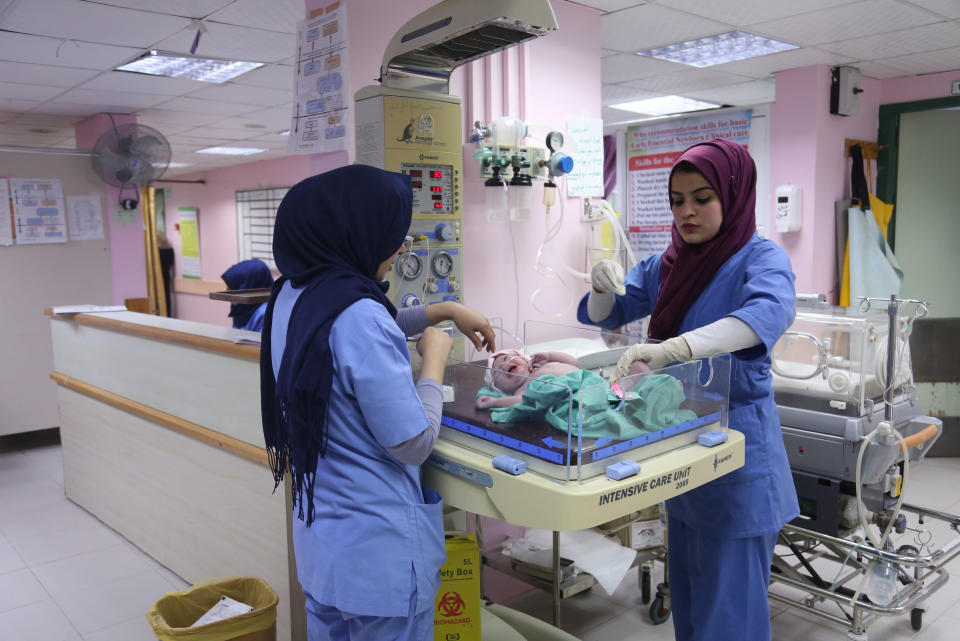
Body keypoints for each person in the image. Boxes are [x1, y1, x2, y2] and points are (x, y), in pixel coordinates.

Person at [259, 164, 495, 641]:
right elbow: (412, 441)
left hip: (325, 555)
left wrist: (444, 308)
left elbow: (361, 324)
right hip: (378, 564)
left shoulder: (293, 294)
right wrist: (434, 360)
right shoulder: (357, 314)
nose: (401, 247)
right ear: (356, 231)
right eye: (394, 235)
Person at [578, 139, 799, 641]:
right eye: (677, 201)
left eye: (702, 197)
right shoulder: (670, 264)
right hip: (682, 453)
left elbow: (765, 315)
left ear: (734, 195)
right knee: (693, 613)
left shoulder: (761, 260)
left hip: (738, 459)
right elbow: (607, 313)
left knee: (731, 620)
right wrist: (599, 284)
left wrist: (676, 350)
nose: (687, 212)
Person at [222, 258, 274, 331]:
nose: (227, 291)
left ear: (248, 287)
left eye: (233, 288)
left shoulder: (266, 314)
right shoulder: (241, 308)